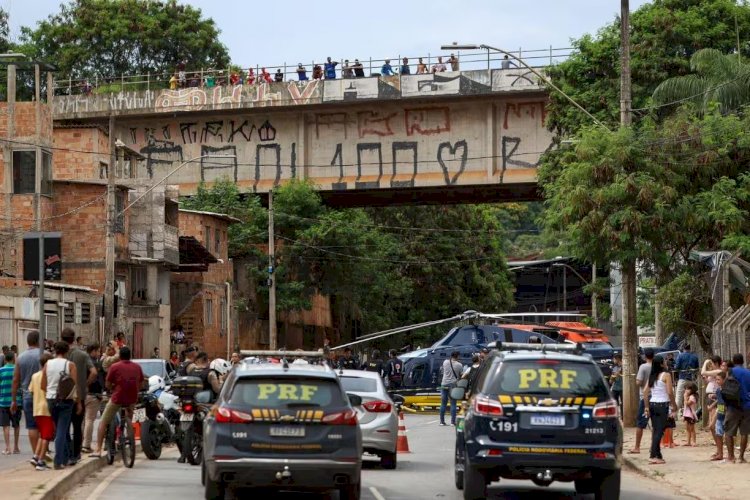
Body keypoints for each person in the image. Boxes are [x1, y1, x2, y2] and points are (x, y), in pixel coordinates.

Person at [89, 347, 144, 459]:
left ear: (119, 357)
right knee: (129, 416)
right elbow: (141, 383)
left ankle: (98, 449)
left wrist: (112, 388)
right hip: (132, 398)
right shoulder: (137, 367)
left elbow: (108, 384)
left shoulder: (115, 367)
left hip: (117, 397)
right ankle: (128, 433)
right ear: (130, 356)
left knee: (103, 421)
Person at [41, 341, 78, 469]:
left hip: (51, 399)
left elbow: (42, 385)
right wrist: (78, 403)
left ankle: (66, 457)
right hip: (66, 400)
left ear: (55, 351)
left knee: (58, 429)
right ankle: (58, 461)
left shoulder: (47, 364)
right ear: (67, 351)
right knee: (62, 430)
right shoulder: (70, 365)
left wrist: (50, 393)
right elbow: (75, 386)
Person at [62, 328, 96, 465]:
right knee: (77, 426)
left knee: (63, 427)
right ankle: (76, 454)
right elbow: (93, 372)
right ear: (74, 339)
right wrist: (85, 384)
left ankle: (66, 453)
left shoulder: (58, 355)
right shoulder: (82, 355)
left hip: (63, 396)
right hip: (79, 396)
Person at [11, 330, 41, 460]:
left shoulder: (20, 357)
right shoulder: (45, 355)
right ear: (39, 341)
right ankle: (42, 452)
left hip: (27, 395)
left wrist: (14, 400)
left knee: (31, 426)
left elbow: (16, 380)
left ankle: (36, 454)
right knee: (44, 425)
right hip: (43, 395)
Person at [642, 355, 677, 465]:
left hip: (652, 404)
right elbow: (670, 392)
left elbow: (645, 392)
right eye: (664, 361)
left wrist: (646, 406)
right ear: (661, 364)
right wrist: (674, 405)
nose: (666, 363)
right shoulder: (666, 375)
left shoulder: (652, 376)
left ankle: (657, 454)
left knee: (656, 429)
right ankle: (653, 455)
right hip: (662, 405)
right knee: (659, 431)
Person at [29, 352, 53, 471]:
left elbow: (31, 391)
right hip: (46, 409)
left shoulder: (34, 376)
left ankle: (35, 456)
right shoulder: (48, 376)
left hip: (36, 408)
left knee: (42, 434)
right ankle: (41, 461)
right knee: (46, 436)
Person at [725, 353, 750, 463]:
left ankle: (731, 456)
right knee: (744, 432)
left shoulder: (730, 372)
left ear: (733, 361)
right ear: (743, 361)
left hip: (733, 405)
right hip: (747, 405)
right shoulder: (748, 373)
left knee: (729, 431)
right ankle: (741, 457)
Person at [629, 348, 654, 454]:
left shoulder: (643, 367)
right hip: (656, 398)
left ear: (644, 356)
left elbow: (639, 382)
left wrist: (637, 380)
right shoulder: (658, 367)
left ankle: (637, 447)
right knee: (655, 424)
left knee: (640, 423)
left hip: (645, 398)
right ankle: (653, 447)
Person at [82, 343, 103, 454]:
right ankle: (86, 445)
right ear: (93, 351)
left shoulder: (82, 362)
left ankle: (80, 443)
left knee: (83, 421)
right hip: (92, 394)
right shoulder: (95, 364)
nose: (99, 353)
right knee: (89, 420)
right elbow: (98, 379)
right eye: (98, 351)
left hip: (82, 395)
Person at [0, 351, 21, 454]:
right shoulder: (17, 370)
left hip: (4, 401)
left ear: (5, 359)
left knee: (5, 425)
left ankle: (8, 447)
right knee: (16, 424)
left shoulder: (1, 370)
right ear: (14, 359)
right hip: (16, 401)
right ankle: (16, 447)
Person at [439, 351, 463, 426]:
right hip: (453, 385)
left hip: (444, 383)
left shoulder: (445, 362)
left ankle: (442, 422)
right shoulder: (459, 365)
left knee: (443, 403)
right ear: (458, 356)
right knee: (453, 403)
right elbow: (460, 375)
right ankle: (452, 422)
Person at [675, 344, 699, 411]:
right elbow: (697, 367)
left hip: (682, 378)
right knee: (693, 396)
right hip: (692, 379)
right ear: (690, 349)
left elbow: (677, 367)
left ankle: (675, 415)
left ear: (683, 348)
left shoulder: (680, 356)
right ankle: (693, 413)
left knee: (679, 397)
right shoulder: (695, 356)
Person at [710, 370, 727, 461]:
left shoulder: (727, 391)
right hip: (720, 413)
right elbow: (719, 401)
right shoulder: (718, 390)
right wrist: (713, 405)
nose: (717, 381)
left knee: (727, 435)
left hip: (726, 414)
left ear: (724, 380)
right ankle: (720, 453)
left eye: (719, 379)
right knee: (718, 433)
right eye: (716, 380)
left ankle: (728, 453)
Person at [682, 381, 698, 446]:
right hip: (686, 414)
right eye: (685, 389)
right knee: (687, 429)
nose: (686, 390)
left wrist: (685, 397)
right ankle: (688, 441)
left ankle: (694, 441)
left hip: (691, 415)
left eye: (688, 389)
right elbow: (685, 407)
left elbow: (687, 404)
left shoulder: (692, 397)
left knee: (692, 429)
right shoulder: (688, 396)